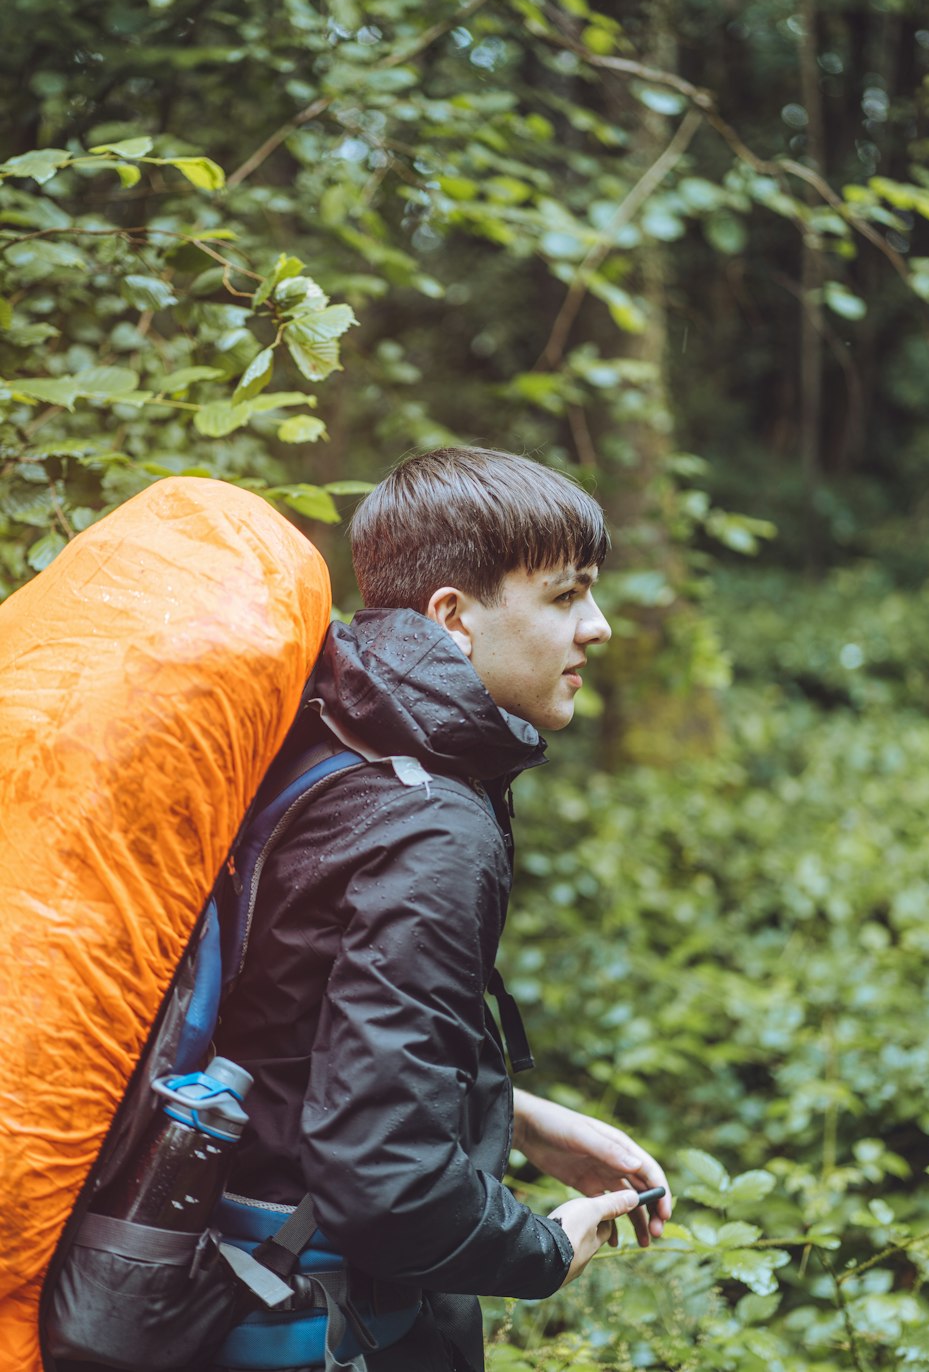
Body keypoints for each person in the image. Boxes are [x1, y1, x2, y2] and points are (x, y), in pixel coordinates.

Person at [213, 446, 671, 1372]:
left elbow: (295, 1022)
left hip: (215, 1248)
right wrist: (546, 1249)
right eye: (564, 596)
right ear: (452, 617)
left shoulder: (328, 733)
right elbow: (384, 1181)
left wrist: (524, 1119)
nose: (600, 627)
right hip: (322, 1309)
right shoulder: (430, 827)